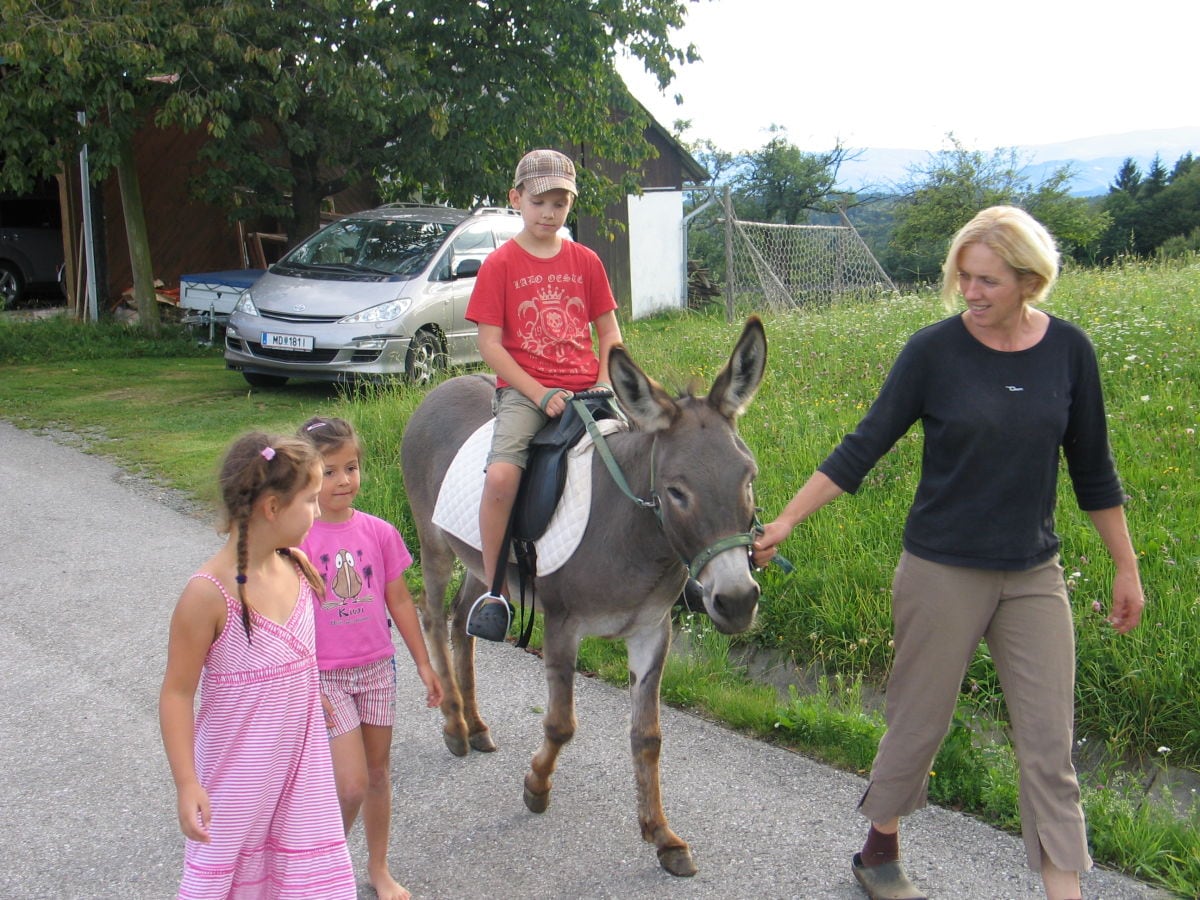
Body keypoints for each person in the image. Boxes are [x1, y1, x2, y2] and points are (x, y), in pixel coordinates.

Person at [752, 206, 1145, 900]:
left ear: (1030, 280)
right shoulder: (933, 352)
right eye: (963, 277)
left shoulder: (1069, 352)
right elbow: (862, 446)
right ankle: (880, 849)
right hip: (940, 570)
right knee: (919, 722)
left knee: (1050, 750)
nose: (971, 292)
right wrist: (785, 519)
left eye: (988, 280)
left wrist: (1125, 565)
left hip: (1032, 573)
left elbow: (1094, 470)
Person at [159, 432, 357, 899]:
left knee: (306, 884)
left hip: (300, 775)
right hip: (238, 782)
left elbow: (297, 659)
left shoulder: (298, 566)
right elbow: (176, 693)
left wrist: (311, 693)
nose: (317, 508)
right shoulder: (208, 595)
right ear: (271, 507)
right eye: (309, 500)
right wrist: (187, 784)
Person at [463, 147, 623, 641]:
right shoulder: (500, 265)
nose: (549, 213)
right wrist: (538, 393)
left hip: (588, 386)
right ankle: (495, 589)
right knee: (503, 476)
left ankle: (673, 577)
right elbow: (489, 345)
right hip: (525, 391)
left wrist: (605, 380)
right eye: (539, 202)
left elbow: (611, 334)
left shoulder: (587, 260)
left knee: (654, 452)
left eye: (560, 203)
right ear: (516, 199)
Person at [297, 415, 443, 900]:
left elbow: (399, 601)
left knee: (378, 774)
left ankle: (378, 868)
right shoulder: (297, 540)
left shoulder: (379, 533)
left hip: (378, 669)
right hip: (326, 678)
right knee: (352, 784)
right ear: (308, 475)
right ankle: (322, 863)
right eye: (331, 470)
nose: (344, 481)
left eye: (351, 468)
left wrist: (423, 664)